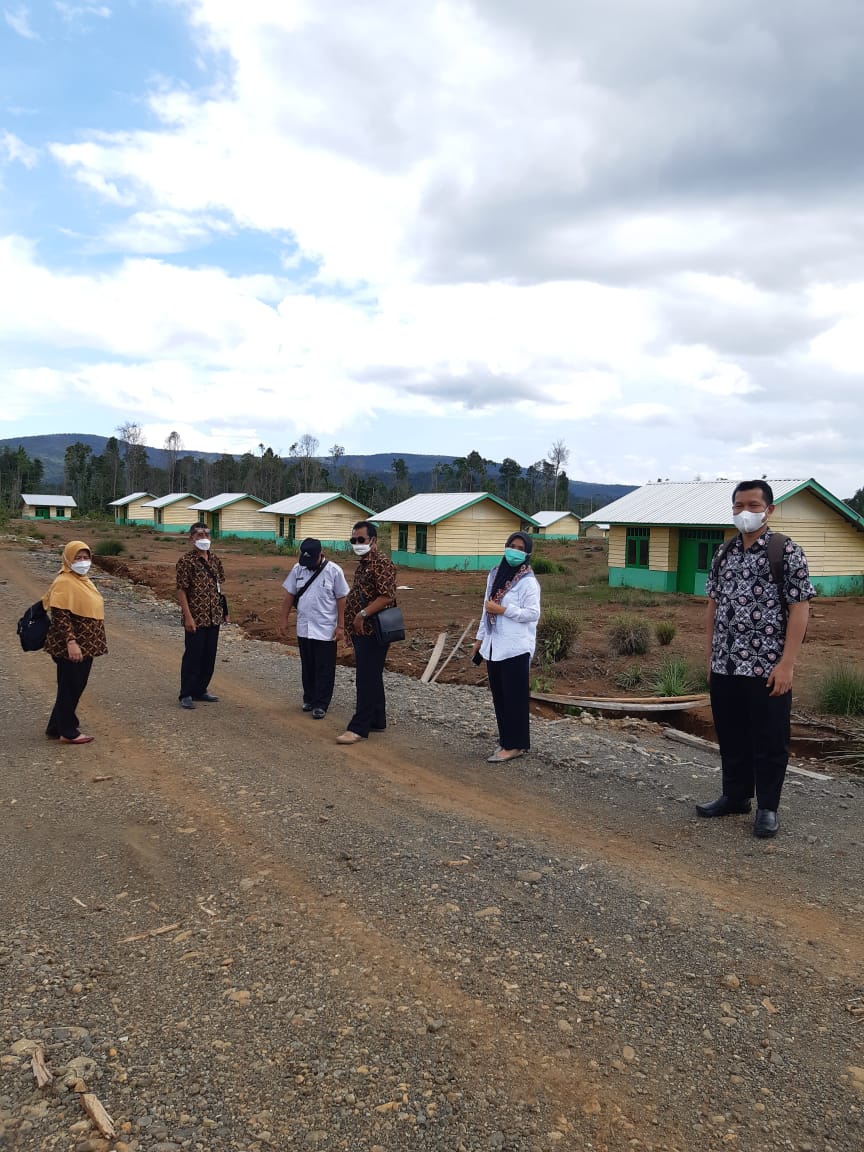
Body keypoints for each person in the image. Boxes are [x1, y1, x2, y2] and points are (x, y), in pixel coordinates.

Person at [697, 480, 815, 837]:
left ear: (769, 510)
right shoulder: (723, 554)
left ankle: (767, 807)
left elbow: (800, 609)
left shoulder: (786, 551)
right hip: (726, 663)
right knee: (731, 735)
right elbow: (712, 606)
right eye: (738, 506)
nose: (744, 512)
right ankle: (735, 797)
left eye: (752, 505)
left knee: (769, 739)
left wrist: (787, 663)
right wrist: (710, 656)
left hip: (768, 667)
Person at [471, 531, 541, 763]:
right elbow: (486, 608)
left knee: (515, 698)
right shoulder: (495, 574)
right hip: (494, 645)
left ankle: (515, 745)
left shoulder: (528, 581)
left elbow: (533, 614)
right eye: (512, 545)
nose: (515, 551)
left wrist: (504, 611)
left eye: (521, 548)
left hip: (515, 647)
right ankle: (507, 740)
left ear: (527, 553)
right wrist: (480, 639)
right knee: (500, 696)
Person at [336, 520, 397, 745]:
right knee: (372, 674)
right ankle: (377, 718)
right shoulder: (365, 563)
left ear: (373, 540)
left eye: (361, 540)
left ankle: (358, 727)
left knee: (365, 678)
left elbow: (386, 595)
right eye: (353, 540)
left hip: (374, 629)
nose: (357, 544)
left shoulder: (381, 563)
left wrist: (361, 614)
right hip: (363, 631)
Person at [44, 540, 107, 745]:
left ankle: (56, 726)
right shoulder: (64, 582)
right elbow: (60, 616)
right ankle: (67, 730)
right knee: (71, 686)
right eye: (77, 558)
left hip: (86, 644)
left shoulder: (83, 580)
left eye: (85, 557)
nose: (82, 562)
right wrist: (71, 642)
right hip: (72, 646)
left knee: (70, 686)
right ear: (68, 560)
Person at [280, 537, 349, 719]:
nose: (308, 564)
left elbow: (341, 598)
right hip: (304, 628)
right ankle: (309, 698)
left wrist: (341, 626)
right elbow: (289, 595)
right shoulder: (298, 569)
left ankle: (321, 704)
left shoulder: (334, 571)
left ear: (321, 555)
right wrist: (283, 620)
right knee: (308, 665)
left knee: (324, 668)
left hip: (326, 629)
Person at [176, 522, 228, 710]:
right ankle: (186, 693)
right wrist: (188, 617)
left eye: (207, 534)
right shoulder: (186, 561)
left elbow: (219, 588)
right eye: (199, 535)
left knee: (209, 655)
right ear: (191, 538)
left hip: (214, 615)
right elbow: (181, 590)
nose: (204, 538)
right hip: (196, 616)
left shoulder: (215, 560)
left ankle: (201, 689)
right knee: (193, 656)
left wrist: (224, 611)